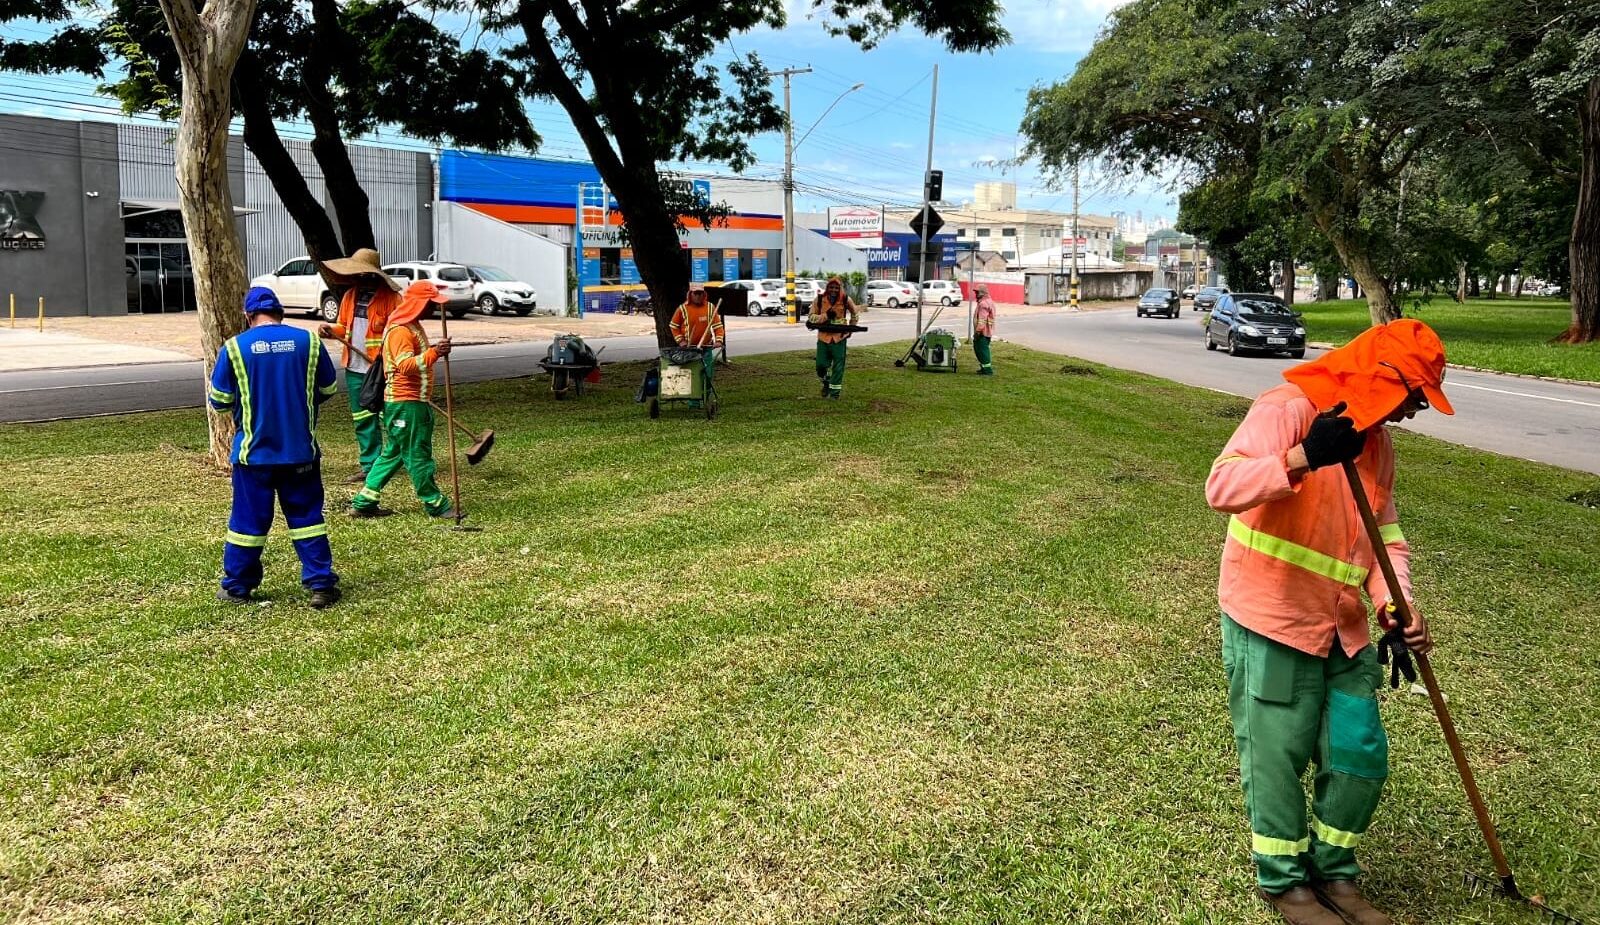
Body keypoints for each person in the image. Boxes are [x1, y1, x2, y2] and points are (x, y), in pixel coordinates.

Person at [1205, 319, 1455, 925]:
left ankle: (1335, 873)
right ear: (1381, 381)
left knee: (1359, 754)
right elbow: (1222, 485)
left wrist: (1396, 602)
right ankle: (1285, 884)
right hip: (1273, 618)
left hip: (1344, 629)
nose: (1415, 413)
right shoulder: (1286, 409)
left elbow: (1384, 534)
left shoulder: (1377, 444)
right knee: (1277, 758)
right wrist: (1303, 456)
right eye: (1414, 397)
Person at [208, 287, 342, 608]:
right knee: (307, 518)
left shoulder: (234, 348)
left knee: (247, 524)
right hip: (300, 453)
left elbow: (220, 401)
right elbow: (328, 388)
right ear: (280, 312)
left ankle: (237, 587)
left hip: (253, 456)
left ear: (248, 315)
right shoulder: (309, 342)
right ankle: (320, 585)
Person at [349, 280, 454, 518]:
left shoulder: (412, 326)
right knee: (418, 453)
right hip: (405, 404)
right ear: (419, 304)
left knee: (394, 453)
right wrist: (435, 352)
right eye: (431, 304)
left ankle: (364, 502)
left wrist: (434, 352)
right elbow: (405, 366)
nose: (434, 309)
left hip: (412, 402)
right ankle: (435, 503)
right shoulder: (400, 331)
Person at [317, 248, 402, 483]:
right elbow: (343, 328)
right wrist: (329, 329)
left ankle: (395, 459)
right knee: (363, 417)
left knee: (391, 415)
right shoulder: (350, 297)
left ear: (372, 274)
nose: (357, 277)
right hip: (354, 367)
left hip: (381, 367)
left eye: (361, 273)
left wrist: (387, 358)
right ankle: (370, 464)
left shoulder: (392, 299)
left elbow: (398, 332)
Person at [669, 282, 725, 406]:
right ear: (690, 294)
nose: (698, 296)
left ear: (704, 294)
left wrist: (719, 340)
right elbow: (673, 326)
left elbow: (718, 327)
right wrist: (681, 341)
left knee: (707, 375)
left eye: (700, 293)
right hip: (689, 350)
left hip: (705, 349)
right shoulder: (682, 309)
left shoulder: (710, 308)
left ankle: (706, 399)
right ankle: (693, 403)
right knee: (692, 376)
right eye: (696, 294)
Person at [808, 276, 859, 399]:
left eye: (836, 287)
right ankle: (826, 382)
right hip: (823, 338)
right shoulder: (819, 299)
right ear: (827, 288)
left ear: (840, 288)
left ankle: (834, 394)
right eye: (831, 287)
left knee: (838, 367)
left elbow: (855, 313)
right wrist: (825, 316)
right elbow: (811, 317)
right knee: (820, 366)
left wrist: (850, 329)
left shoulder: (846, 299)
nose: (834, 290)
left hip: (839, 339)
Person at [973, 285, 997, 375]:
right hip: (988, 331)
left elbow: (982, 320)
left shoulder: (983, 304)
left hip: (983, 332)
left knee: (981, 350)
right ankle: (984, 368)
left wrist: (978, 331)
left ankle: (987, 370)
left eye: (977, 292)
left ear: (982, 293)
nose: (975, 294)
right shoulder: (989, 302)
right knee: (981, 349)